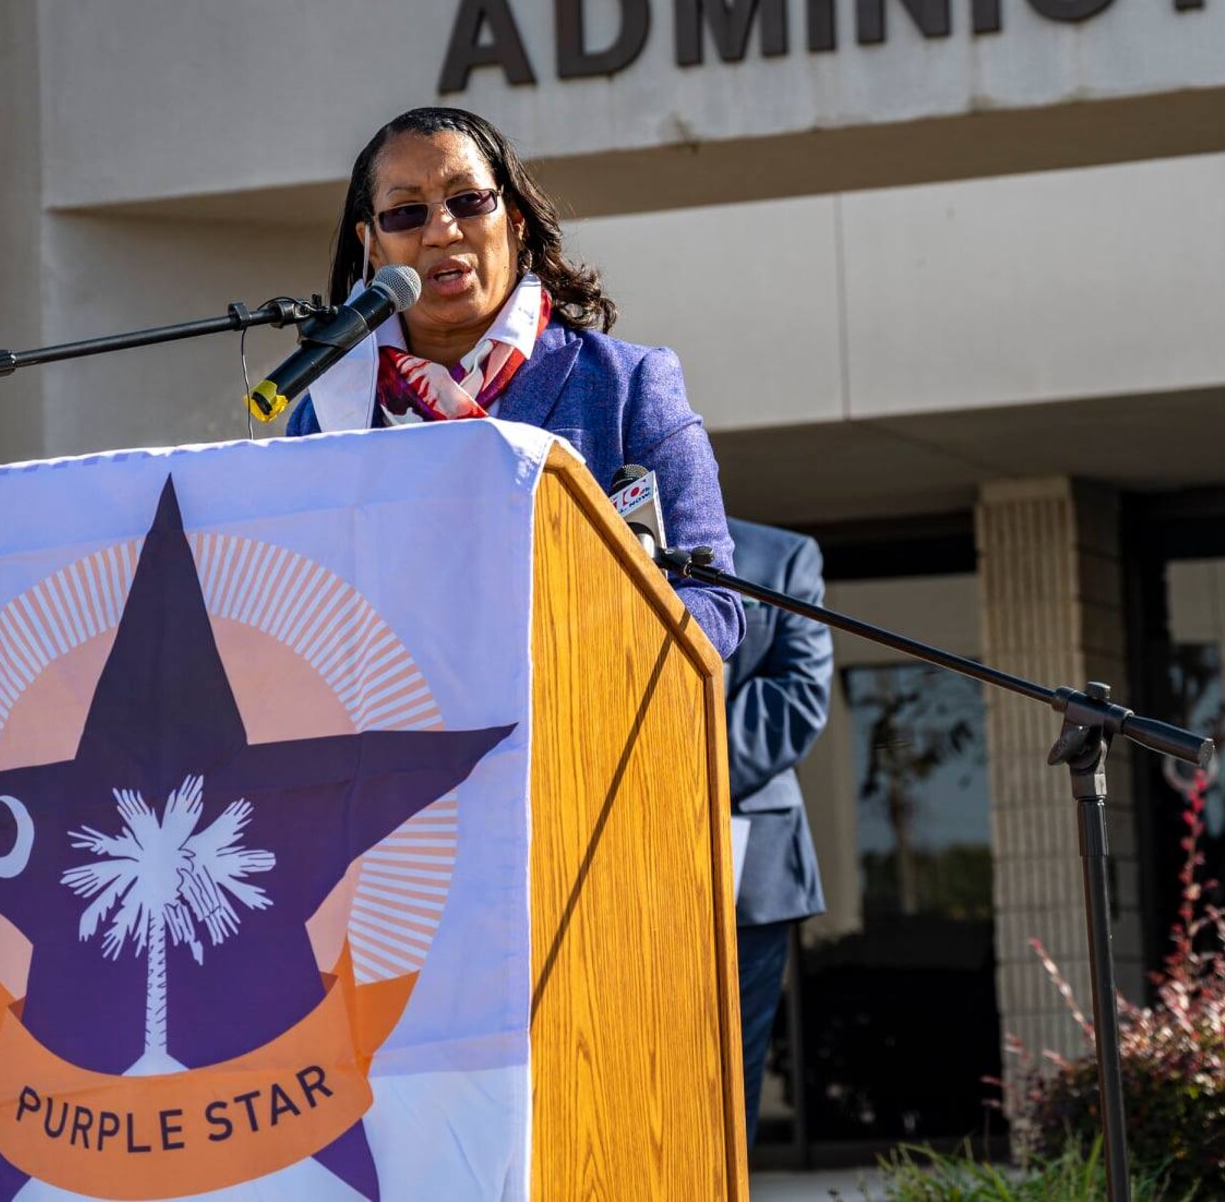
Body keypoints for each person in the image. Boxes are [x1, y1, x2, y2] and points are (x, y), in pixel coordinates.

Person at [286, 106, 742, 658]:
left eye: (468, 200)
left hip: (574, 726)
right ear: (373, 244)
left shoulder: (629, 386)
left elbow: (713, 606)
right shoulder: (328, 414)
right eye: (406, 212)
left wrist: (561, 640)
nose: (440, 230)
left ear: (516, 217)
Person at [724, 517, 833, 1144]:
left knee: (729, 1082)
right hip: (597, 851)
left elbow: (799, 696)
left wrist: (675, 761)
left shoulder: (782, 556)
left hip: (751, 871)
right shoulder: (573, 534)